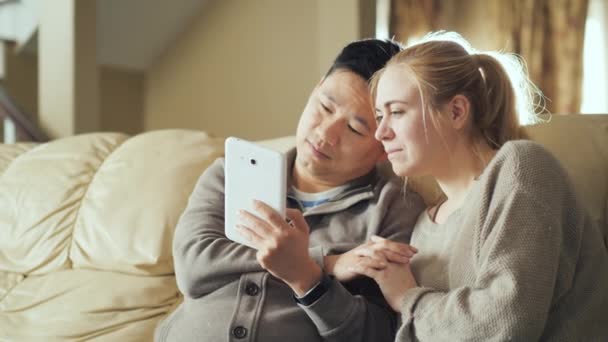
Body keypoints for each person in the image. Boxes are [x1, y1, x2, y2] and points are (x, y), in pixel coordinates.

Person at [154, 38, 426, 342]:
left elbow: (376, 333)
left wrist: (307, 278)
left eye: (355, 128)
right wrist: (328, 263)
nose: (325, 133)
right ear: (315, 89)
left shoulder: (393, 209)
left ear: (383, 145)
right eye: (324, 106)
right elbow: (195, 266)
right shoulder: (229, 173)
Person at [347, 32, 608, 341]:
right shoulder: (423, 226)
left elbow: (504, 323)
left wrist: (407, 298)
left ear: (456, 111)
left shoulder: (522, 168)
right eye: (379, 116)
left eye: (397, 112)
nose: (381, 133)